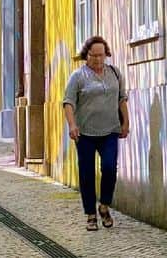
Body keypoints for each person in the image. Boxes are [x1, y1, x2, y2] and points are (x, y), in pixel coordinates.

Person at [62, 35, 129, 231]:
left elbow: (121, 99)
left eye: (102, 55)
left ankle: (104, 206)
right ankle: (90, 214)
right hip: (85, 134)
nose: (98, 60)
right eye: (94, 56)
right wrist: (72, 125)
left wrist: (126, 122)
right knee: (87, 173)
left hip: (110, 130)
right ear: (87, 55)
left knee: (109, 168)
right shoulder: (78, 76)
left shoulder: (115, 73)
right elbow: (68, 102)